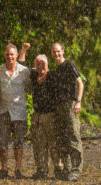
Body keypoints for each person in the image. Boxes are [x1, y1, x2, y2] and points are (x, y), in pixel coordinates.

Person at [19, 43, 61, 179]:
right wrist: (24, 50)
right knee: (38, 144)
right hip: (37, 115)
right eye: (38, 64)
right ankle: (41, 170)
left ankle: (59, 169)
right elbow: (21, 65)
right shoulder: (33, 75)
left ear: (47, 64)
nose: (41, 66)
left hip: (51, 115)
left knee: (54, 143)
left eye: (43, 64)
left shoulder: (53, 76)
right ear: (35, 66)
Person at [0, 43, 30, 179]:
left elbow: (29, 88)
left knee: (18, 142)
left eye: (12, 54)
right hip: (3, 110)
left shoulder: (24, 71)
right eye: (7, 54)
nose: (10, 56)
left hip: (19, 111)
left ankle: (17, 169)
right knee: (2, 141)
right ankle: (4, 168)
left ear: (16, 55)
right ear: (5, 55)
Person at [51, 43, 84, 181]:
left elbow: (80, 83)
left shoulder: (69, 65)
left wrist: (78, 101)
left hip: (70, 104)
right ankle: (67, 169)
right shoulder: (56, 68)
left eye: (58, 51)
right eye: (54, 52)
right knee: (62, 138)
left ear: (63, 51)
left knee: (73, 137)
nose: (56, 54)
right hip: (58, 106)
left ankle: (76, 170)